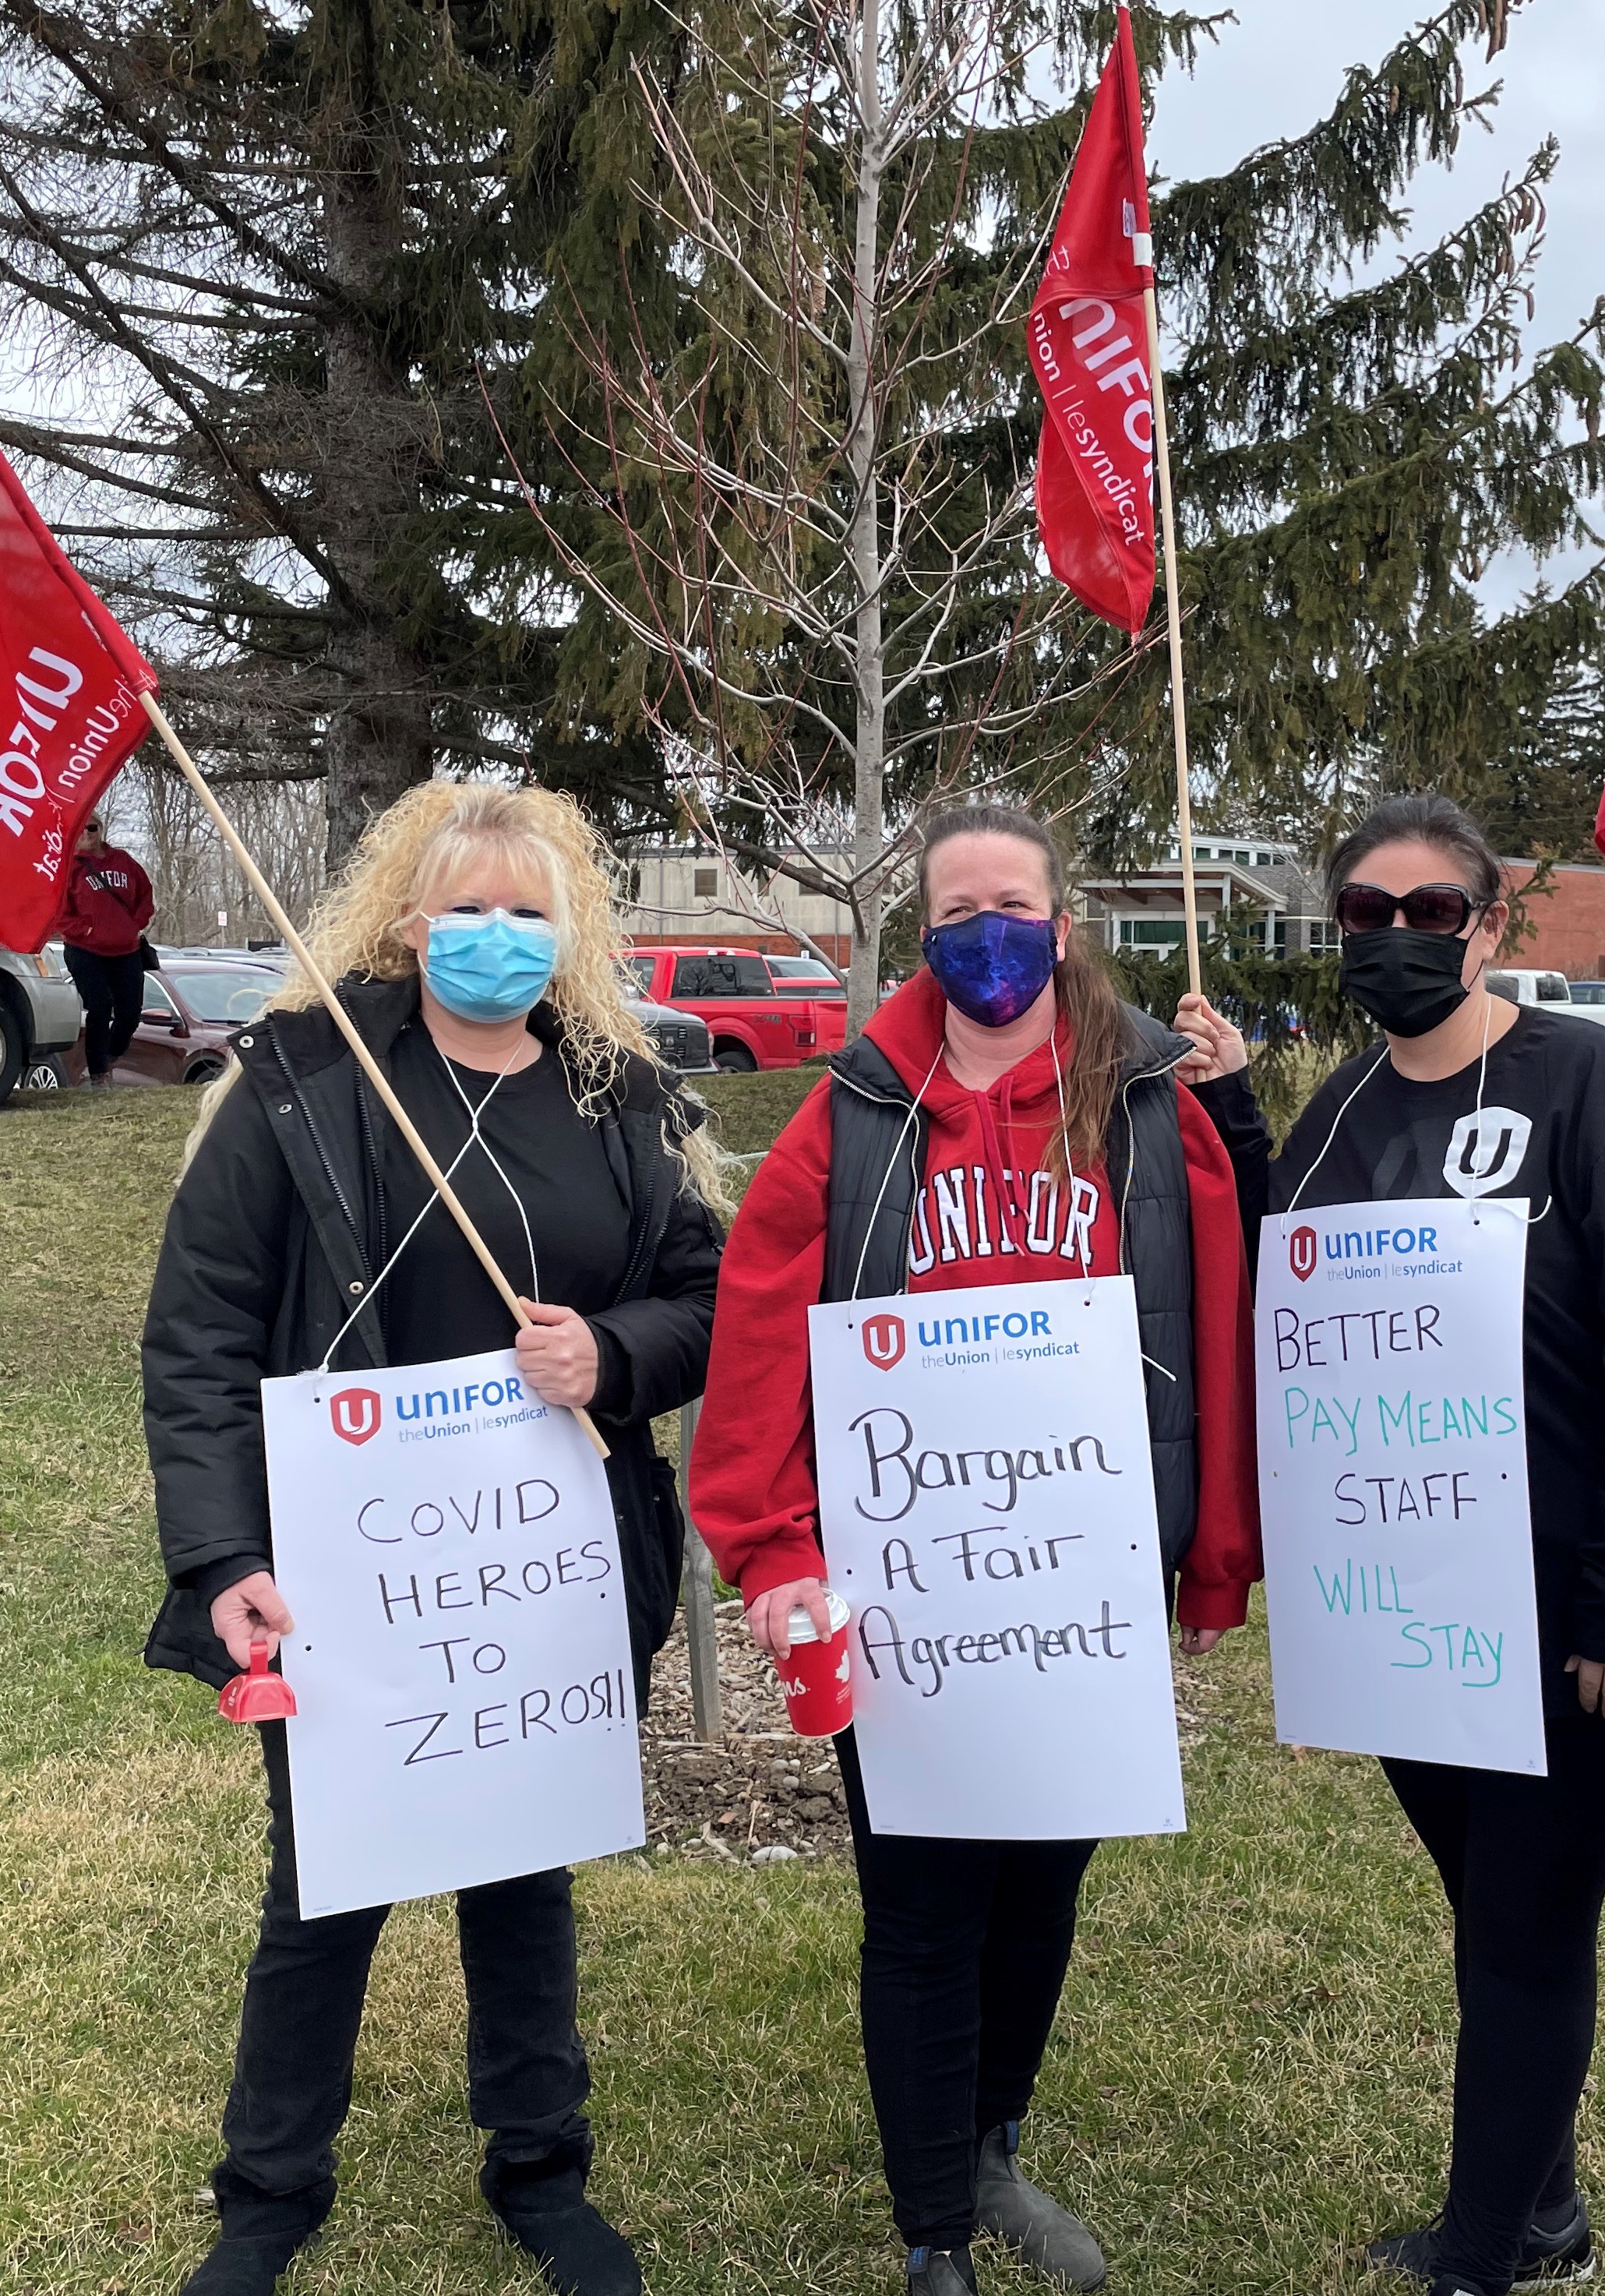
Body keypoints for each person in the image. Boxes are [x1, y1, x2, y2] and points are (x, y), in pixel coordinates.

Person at [140, 782, 729, 2296]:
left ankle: (543, 2171)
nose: (494, 936)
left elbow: (706, 1303)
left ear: (571, 929)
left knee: (523, 1879)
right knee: (322, 1889)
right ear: (407, 919)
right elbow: (199, 1330)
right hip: (344, 1568)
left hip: (542, 1570)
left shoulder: (622, 1099)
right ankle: (268, 2197)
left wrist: (611, 1352)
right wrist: (222, 1557)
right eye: (463, 908)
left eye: (527, 911)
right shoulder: (304, 1080)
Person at [686, 803, 1263, 2296]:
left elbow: (1208, 1323)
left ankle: (994, 2131)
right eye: (959, 909)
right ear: (925, 931)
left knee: (1041, 1887)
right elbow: (761, 1333)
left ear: (1060, 925)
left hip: (1085, 1590)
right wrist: (771, 1550)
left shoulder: (1144, 1105)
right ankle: (931, 2218)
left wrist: (1210, 1554)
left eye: (1013, 903)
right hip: (904, 1594)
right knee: (925, 1898)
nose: (987, 931)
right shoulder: (857, 1110)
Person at [1258, 793, 1605, 2296]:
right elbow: (1302, 1338)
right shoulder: (1331, 1113)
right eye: (1367, 914)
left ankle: (1479, 2254)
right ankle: (1542, 2207)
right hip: (1410, 1610)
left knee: (1523, 1933)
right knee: (1494, 1914)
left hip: (1574, 1617)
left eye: (1430, 911)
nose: (1398, 937)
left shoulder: (1589, 1085)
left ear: (1484, 923)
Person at [62, 810, 159, 1086]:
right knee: (100, 1008)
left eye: (92, 828)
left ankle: (111, 1055)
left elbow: (145, 895)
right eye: (80, 829)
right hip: (85, 950)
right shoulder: (69, 867)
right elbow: (58, 913)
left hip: (126, 949)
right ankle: (98, 1074)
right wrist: (86, 929)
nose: (86, 834)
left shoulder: (124, 861)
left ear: (101, 829)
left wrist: (134, 926)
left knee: (130, 1012)